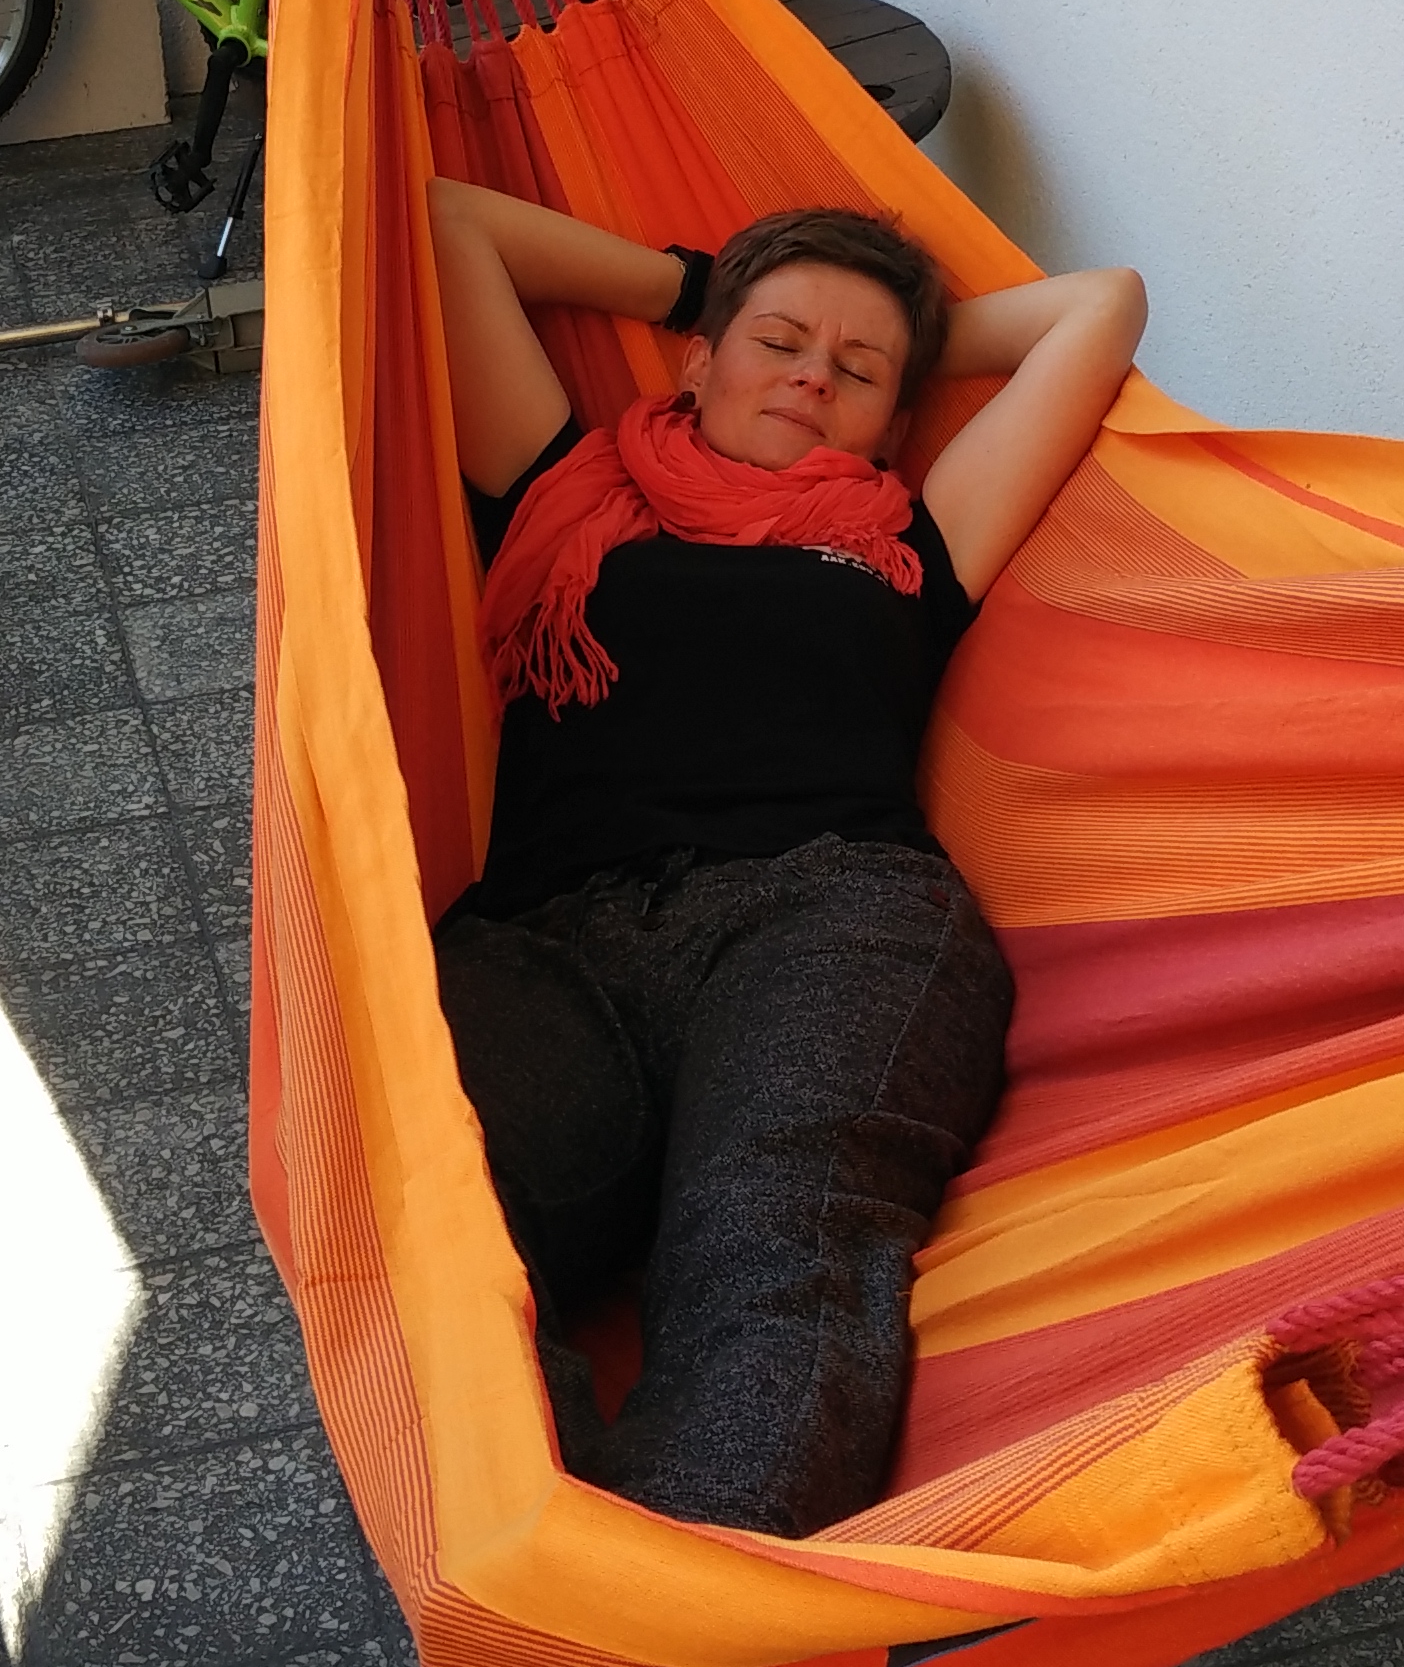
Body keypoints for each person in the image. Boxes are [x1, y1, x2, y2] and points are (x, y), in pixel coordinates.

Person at [427, 181, 1146, 1539]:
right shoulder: (562, 487)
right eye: (778, 343)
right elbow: (451, 222)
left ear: (895, 421)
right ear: (696, 362)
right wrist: (697, 285)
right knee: (438, 1217)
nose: (815, 377)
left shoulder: (913, 540)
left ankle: (680, 1600)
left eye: (857, 373)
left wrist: (893, 338)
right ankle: (527, 1561)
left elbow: (1101, 306)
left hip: (829, 917)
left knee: (777, 1241)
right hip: (545, 940)